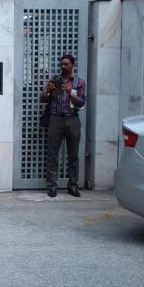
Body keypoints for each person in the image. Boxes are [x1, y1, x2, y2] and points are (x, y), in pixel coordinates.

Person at [41, 53, 86, 198]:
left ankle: (73, 185)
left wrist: (70, 92)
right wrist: (48, 91)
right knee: (52, 153)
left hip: (73, 119)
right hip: (56, 119)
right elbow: (43, 99)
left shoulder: (79, 82)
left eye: (66, 64)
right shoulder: (55, 80)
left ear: (73, 65)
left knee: (73, 155)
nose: (63, 66)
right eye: (62, 64)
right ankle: (52, 186)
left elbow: (81, 103)